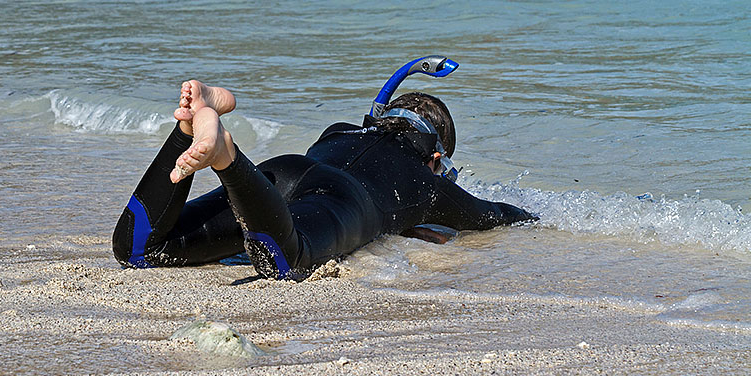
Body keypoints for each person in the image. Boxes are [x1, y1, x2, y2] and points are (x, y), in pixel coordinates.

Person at [112, 80, 536, 280]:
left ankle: (189, 128)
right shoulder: (427, 182)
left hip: (287, 171)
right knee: (285, 261)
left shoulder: (339, 131)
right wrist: (540, 215)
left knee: (140, 249)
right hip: (341, 200)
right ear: (435, 157)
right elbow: (493, 215)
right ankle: (225, 155)